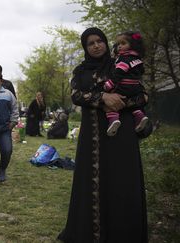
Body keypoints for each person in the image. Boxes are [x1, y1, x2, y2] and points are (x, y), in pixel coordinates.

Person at [58, 27, 149, 242]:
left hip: (122, 136)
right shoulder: (80, 71)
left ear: (106, 43)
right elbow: (76, 95)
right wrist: (102, 98)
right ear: (85, 47)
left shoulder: (120, 62)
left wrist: (119, 100)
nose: (96, 45)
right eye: (91, 43)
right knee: (92, 186)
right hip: (93, 140)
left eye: (100, 41)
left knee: (122, 184)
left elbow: (142, 95)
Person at [104, 31, 148, 136]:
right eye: (118, 44)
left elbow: (118, 73)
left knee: (111, 102)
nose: (119, 46)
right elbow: (141, 71)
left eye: (123, 44)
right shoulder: (138, 59)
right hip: (136, 87)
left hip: (124, 86)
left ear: (132, 45)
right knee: (133, 105)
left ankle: (113, 120)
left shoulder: (124, 59)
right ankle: (140, 116)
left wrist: (109, 84)